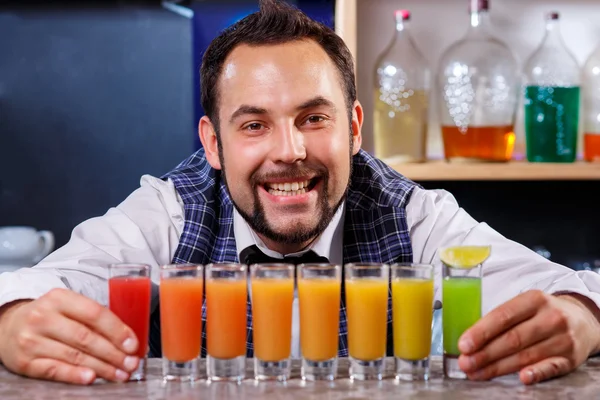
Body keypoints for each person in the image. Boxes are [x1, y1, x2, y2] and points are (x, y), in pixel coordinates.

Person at [0, 0, 599, 387]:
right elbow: (48, 282)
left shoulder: (411, 214)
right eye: (254, 125)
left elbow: (557, 288)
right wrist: (12, 320)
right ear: (213, 144)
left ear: (355, 128)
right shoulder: (170, 210)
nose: (288, 150)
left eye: (314, 117)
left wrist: (582, 316)